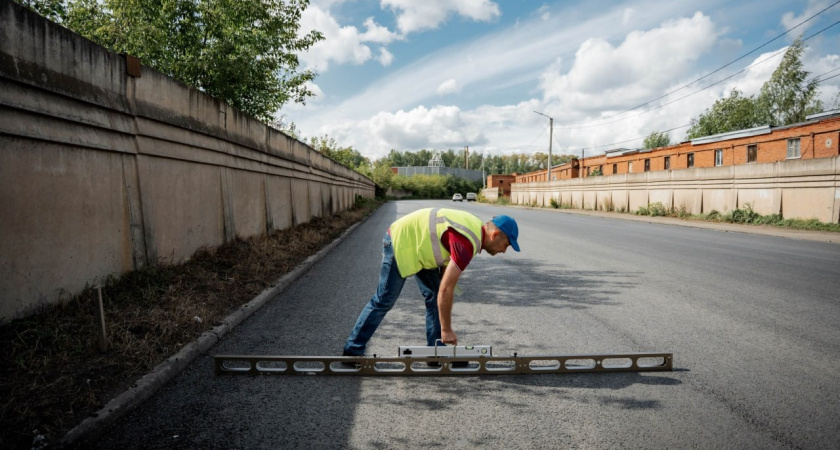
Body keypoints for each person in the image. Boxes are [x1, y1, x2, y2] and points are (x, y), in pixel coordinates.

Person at [343, 207, 520, 359]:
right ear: (495, 234)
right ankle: (353, 350)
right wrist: (446, 330)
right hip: (401, 242)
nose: (504, 251)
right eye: (506, 245)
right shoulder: (467, 242)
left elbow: (444, 277)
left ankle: (437, 352)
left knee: (434, 294)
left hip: (421, 247)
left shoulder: (474, 228)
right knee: (384, 299)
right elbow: (447, 289)